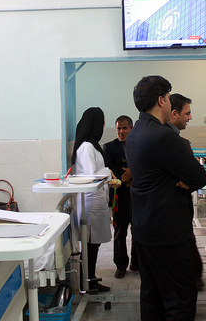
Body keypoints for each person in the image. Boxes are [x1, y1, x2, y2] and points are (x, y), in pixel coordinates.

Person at [126, 76, 206, 321]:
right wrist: (183, 179)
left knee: (152, 296)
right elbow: (199, 177)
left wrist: (181, 177)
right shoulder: (164, 136)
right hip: (167, 232)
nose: (171, 102)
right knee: (180, 299)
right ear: (161, 101)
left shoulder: (135, 133)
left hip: (144, 228)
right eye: (169, 98)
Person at [71, 107, 112, 293]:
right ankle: (88, 281)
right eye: (102, 122)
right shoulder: (87, 146)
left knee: (93, 244)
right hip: (90, 202)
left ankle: (90, 278)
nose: (103, 126)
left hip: (96, 200)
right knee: (90, 243)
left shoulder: (91, 145)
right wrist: (108, 172)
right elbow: (90, 175)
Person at [167, 93, 203, 290]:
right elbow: (197, 176)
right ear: (174, 114)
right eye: (187, 113)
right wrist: (189, 179)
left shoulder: (179, 141)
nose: (190, 117)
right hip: (175, 212)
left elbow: (192, 177)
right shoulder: (176, 143)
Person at [103, 115, 138, 279]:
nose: (121, 132)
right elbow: (108, 169)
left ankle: (136, 262)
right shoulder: (109, 147)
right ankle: (120, 264)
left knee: (138, 230)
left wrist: (133, 172)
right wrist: (126, 178)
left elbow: (146, 165)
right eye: (118, 128)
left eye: (124, 128)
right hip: (120, 195)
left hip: (137, 194)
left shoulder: (139, 145)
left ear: (131, 128)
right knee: (120, 231)